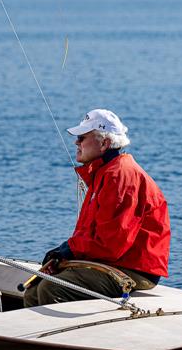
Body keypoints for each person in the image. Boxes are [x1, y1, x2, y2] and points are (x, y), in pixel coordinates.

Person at [24, 109, 170, 307]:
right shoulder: (105, 173)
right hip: (112, 262)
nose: (76, 142)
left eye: (82, 137)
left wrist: (69, 250)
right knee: (34, 289)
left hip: (132, 269)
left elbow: (111, 245)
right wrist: (64, 250)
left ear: (104, 143)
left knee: (52, 288)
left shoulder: (120, 177)